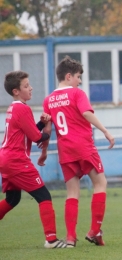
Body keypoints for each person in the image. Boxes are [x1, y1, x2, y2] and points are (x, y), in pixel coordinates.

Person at [38, 55, 115, 247]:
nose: (79, 81)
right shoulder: (76, 93)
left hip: (65, 150)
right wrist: (105, 131)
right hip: (83, 146)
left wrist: (44, 152)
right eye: (79, 77)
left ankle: (70, 238)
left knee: (72, 193)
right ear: (69, 76)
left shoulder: (48, 100)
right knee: (100, 183)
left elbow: (47, 129)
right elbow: (87, 113)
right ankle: (94, 230)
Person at [0, 71, 67, 249]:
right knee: (44, 196)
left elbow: (27, 131)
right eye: (26, 86)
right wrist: (47, 127)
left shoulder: (13, 107)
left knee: (12, 199)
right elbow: (38, 138)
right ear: (16, 91)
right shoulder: (23, 108)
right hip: (16, 160)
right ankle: (51, 240)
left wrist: (39, 125)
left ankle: (51, 239)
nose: (31, 88)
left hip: (6, 158)